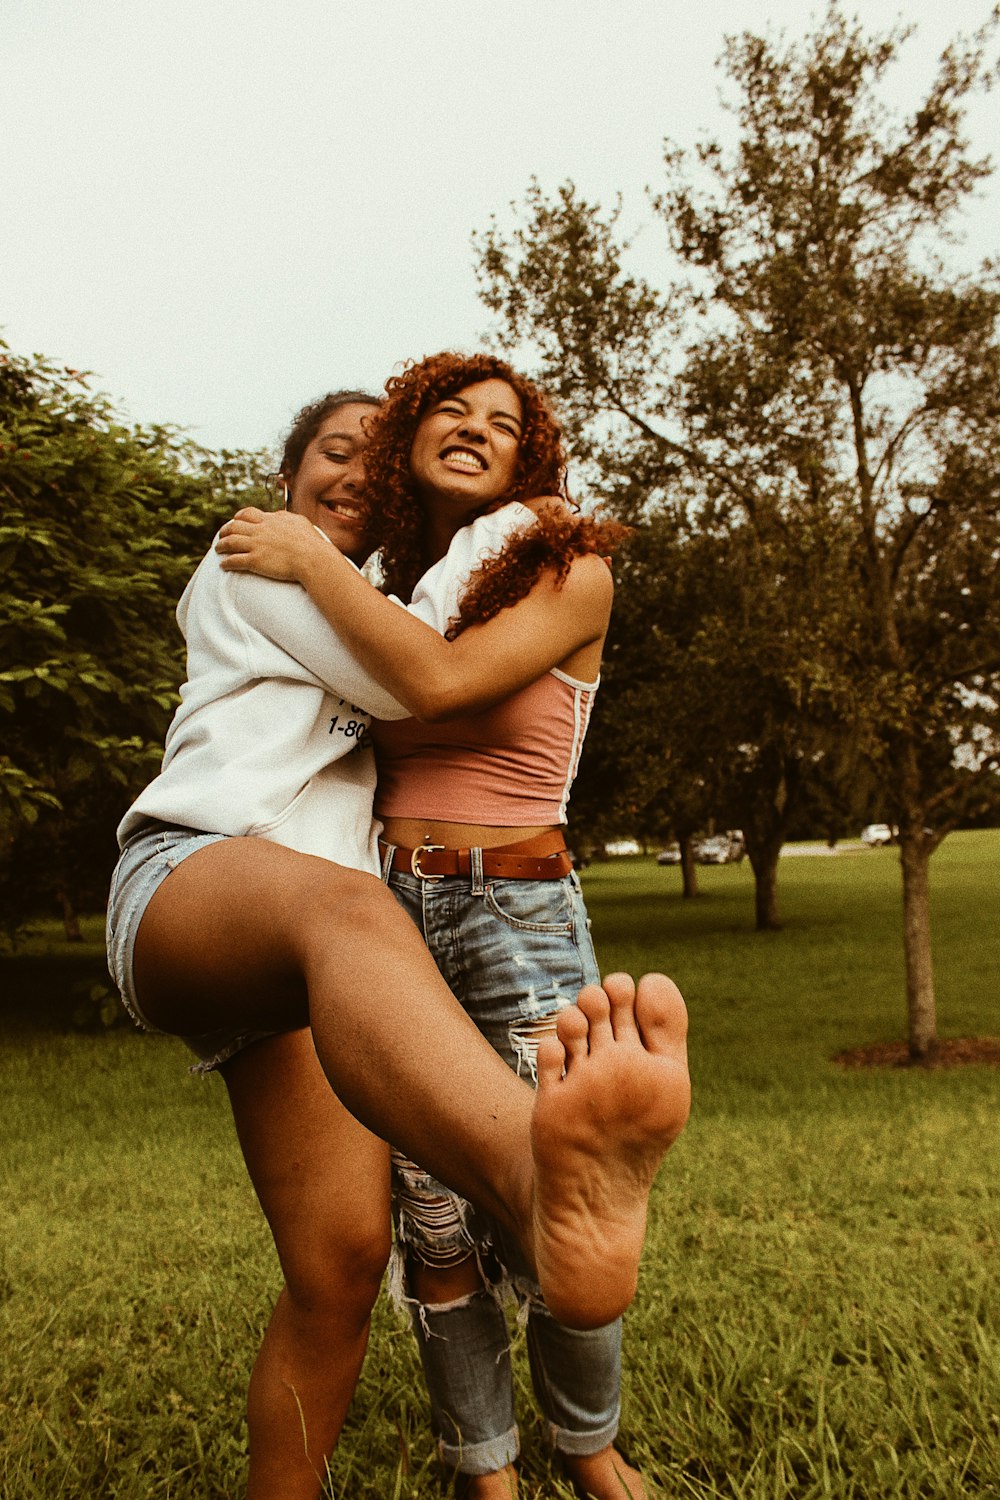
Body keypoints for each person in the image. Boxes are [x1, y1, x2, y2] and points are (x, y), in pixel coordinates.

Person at [109, 389, 691, 1500]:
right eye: (331, 454)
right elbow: (416, 678)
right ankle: (532, 1183)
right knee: (350, 908)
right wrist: (317, 554)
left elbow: (425, 654)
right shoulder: (252, 560)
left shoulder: (369, 594)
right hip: (192, 879)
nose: (348, 478)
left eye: (370, 468)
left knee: (336, 1267)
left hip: (311, 966)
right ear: (283, 478)